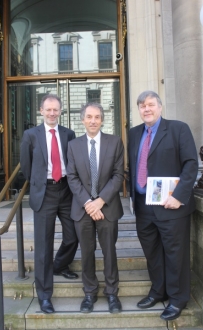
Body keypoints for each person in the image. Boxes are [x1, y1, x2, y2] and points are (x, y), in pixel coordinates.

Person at [128, 91, 198, 321]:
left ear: (160, 107)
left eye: (150, 105)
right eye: (142, 106)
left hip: (171, 206)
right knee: (152, 253)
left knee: (175, 254)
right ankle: (158, 291)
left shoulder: (178, 129)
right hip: (143, 206)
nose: (146, 109)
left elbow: (190, 164)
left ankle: (178, 298)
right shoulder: (134, 133)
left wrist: (179, 196)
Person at [20, 94, 78, 314]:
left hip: (66, 190)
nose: (52, 113)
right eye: (48, 109)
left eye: (56, 109)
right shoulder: (30, 135)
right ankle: (44, 296)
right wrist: (38, 184)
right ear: (41, 111)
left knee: (74, 234)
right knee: (43, 246)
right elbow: (26, 166)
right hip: (44, 192)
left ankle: (60, 265)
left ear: (60, 111)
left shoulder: (68, 134)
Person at [67, 102, 124, 314]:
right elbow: (72, 177)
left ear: (102, 119)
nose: (93, 121)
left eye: (97, 117)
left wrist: (100, 201)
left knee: (109, 252)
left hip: (107, 208)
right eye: (89, 117)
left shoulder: (115, 142)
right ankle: (90, 292)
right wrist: (89, 203)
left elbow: (118, 175)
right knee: (87, 252)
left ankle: (112, 293)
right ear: (82, 120)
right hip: (82, 209)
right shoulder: (73, 145)